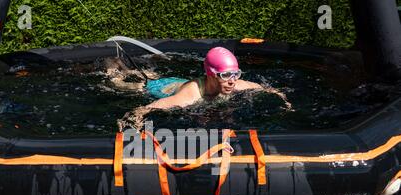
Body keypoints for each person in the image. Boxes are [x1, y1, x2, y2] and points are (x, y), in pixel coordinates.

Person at [117, 47, 292, 130]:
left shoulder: (234, 83)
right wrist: (134, 121)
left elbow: (266, 88)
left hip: (180, 81)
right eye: (225, 76)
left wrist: (283, 99)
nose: (232, 81)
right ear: (210, 74)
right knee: (130, 84)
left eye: (235, 74)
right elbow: (144, 109)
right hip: (163, 88)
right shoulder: (190, 95)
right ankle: (113, 71)